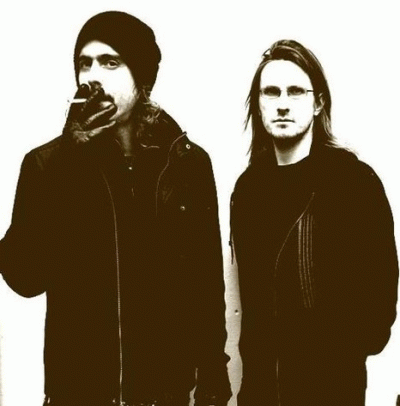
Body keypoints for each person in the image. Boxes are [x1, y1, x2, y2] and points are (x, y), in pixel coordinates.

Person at [0, 11, 231, 406]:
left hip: (164, 395)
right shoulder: (47, 164)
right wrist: (68, 160)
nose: (92, 77)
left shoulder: (186, 164)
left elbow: (205, 285)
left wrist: (213, 376)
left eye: (110, 62)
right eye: (84, 63)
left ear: (142, 77)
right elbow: (25, 277)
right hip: (78, 394)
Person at [230, 39, 398, 406]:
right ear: (258, 104)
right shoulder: (248, 190)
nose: (283, 103)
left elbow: (378, 311)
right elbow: (254, 309)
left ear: (318, 102)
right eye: (271, 92)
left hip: (330, 392)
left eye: (296, 91)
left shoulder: (353, 183)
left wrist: (333, 355)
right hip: (259, 393)